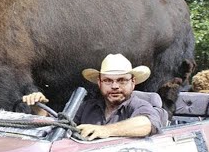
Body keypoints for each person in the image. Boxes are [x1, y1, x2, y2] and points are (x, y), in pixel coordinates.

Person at [23, 54, 168, 140]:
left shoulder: (140, 105)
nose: (115, 86)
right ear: (99, 83)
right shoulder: (87, 106)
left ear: (133, 82)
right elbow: (61, 126)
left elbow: (148, 124)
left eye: (122, 80)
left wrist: (106, 130)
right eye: (108, 80)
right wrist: (38, 107)